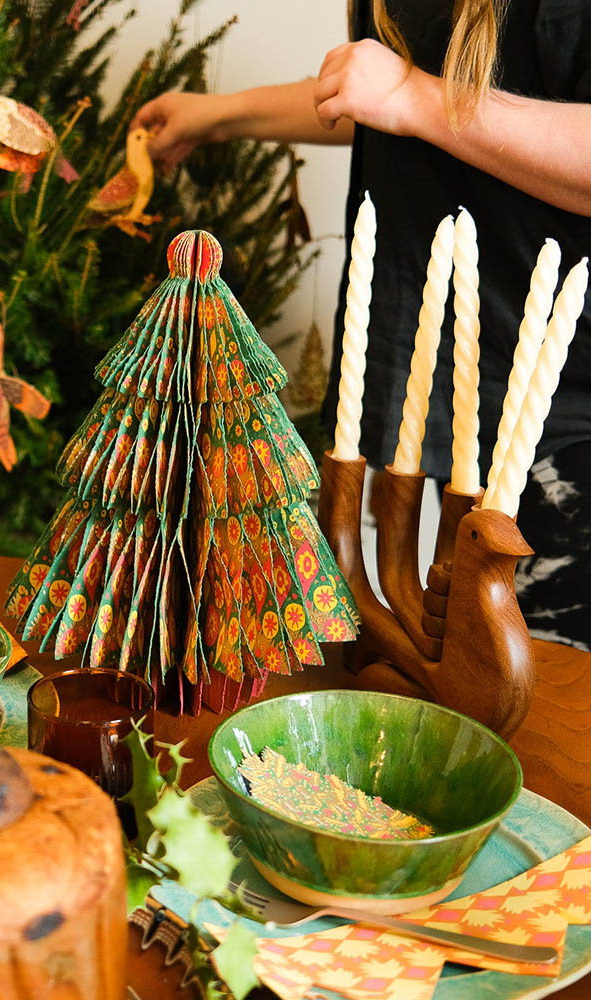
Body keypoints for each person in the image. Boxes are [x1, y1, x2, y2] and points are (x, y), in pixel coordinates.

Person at [132, 0, 591, 651]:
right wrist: (214, 115)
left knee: (552, 707)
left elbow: (410, 98)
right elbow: (379, 104)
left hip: (567, 395)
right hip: (453, 366)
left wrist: (416, 96)